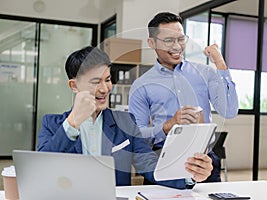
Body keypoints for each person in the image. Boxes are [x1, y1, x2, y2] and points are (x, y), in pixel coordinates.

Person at [37, 46, 215, 189]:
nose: (104, 89)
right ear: (73, 85)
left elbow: (149, 165)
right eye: (95, 82)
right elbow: (41, 169)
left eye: (107, 79)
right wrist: (73, 122)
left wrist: (189, 175)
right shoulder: (52, 124)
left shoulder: (125, 122)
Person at [129, 12, 239, 182]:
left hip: (204, 161)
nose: (177, 46)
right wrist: (167, 126)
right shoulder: (141, 85)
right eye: (168, 41)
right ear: (152, 43)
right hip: (162, 160)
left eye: (181, 39)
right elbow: (137, 135)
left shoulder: (206, 73)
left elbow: (229, 111)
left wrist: (220, 64)